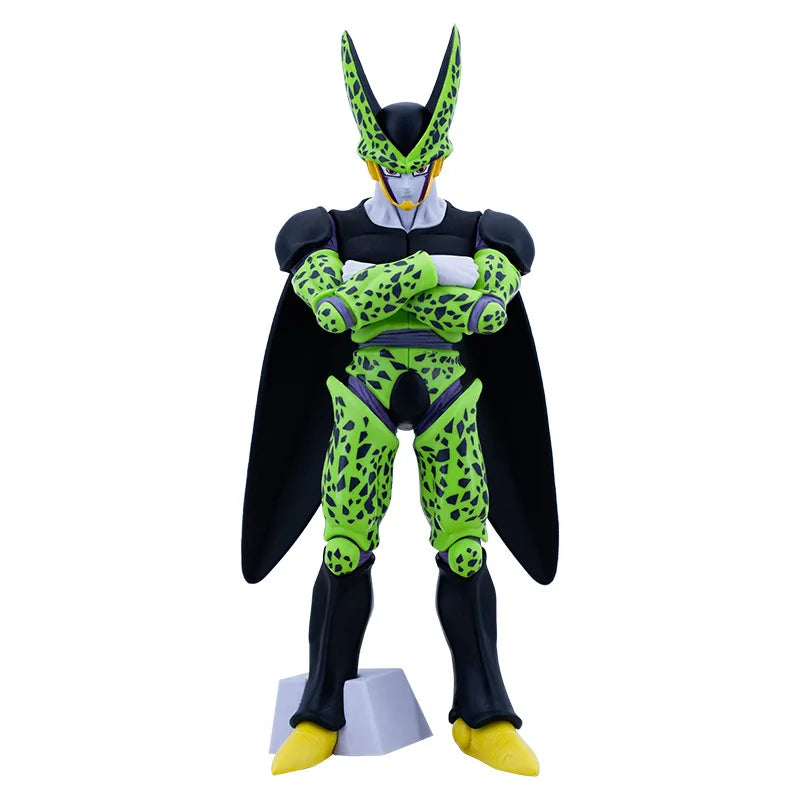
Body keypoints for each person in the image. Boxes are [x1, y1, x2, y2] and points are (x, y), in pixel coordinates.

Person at [242, 26, 559, 776]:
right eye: (391, 169)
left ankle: (483, 712)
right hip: (363, 395)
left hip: (450, 394)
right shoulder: (328, 231)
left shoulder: (484, 233)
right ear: (369, 160)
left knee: (465, 547)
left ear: (441, 159)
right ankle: (320, 710)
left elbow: (488, 311)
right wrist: (424, 278)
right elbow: (332, 311)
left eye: (421, 168)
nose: (408, 183)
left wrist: (390, 289)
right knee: (344, 547)